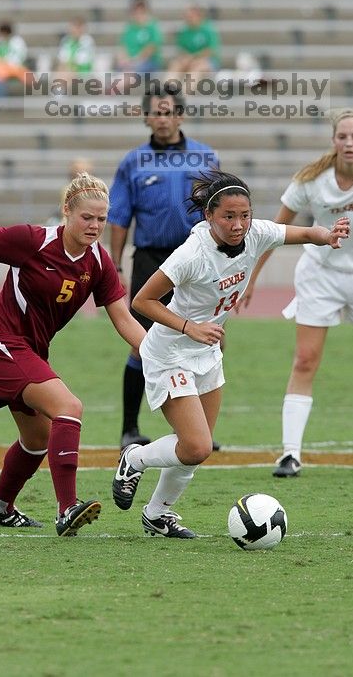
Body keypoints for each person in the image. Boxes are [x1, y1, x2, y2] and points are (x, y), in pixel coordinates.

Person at [111, 169, 350, 538]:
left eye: (244, 215)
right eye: (228, 216)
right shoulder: (192, 254)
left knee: (196, 448)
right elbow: (143, 300)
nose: (238, 225)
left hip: (206, 353)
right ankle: (134, 459)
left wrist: (327, 235)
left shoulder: (256, 233)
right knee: (197, 444)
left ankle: (157, 515)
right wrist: (191, 326)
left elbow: (302, 233)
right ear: (209, 216)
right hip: (170, 352)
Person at [0, 173, 146, 535]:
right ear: (66, 211)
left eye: (102, 219)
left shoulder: (98, 262)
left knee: (37, 439)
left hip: (30, 351)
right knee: (69, 407)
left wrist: (156, 351)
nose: (95, 226)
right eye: (87, 217)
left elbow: (123, 318)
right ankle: (67, 509)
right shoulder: (32, 240)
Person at [240, 108, 353, 478]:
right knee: (305, 360)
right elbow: (274, 229)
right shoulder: (310, 179)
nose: (349, 143)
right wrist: (250, 279)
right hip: (319, 275)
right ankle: (290, 454)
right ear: (333, 140)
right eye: (342, 137)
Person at [108, 85, 219, 451]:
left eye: (168, 111)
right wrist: (117, 264)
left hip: (196, 259)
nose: (162, 118)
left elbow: (219, 212)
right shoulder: (132, 162)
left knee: (203, 340)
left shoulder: (205, 156)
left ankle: (201, 432)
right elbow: (120, 216)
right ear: (146, 117)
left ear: (180, 115)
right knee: (142, 345)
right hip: (152, 260)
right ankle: (129, 429)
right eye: (155, 112)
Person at [167, 5, 220, 79]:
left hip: (207, 61)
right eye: (187, 17)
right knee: (176, 64)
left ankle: (185, 90)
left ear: (198, 16)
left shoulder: (208, 30)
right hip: (190, 60)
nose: (188, 19)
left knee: (197, 68)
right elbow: (182, 50)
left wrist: (193, 58)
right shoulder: (184, 31)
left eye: (191, 16)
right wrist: (186, 59)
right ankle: (169, 88)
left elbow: (210, 51)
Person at [116, 0, 163, 74]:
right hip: (130, 63)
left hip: (148, 62)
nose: (138, 15)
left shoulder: (152, 27)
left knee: (134, 71)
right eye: (136, 12)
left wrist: (134, 61)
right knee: (120, 68)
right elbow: (122, 47)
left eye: (141, 12)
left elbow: (151, 48)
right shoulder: (130, 28)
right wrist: (123, 59)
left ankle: (117, 84)